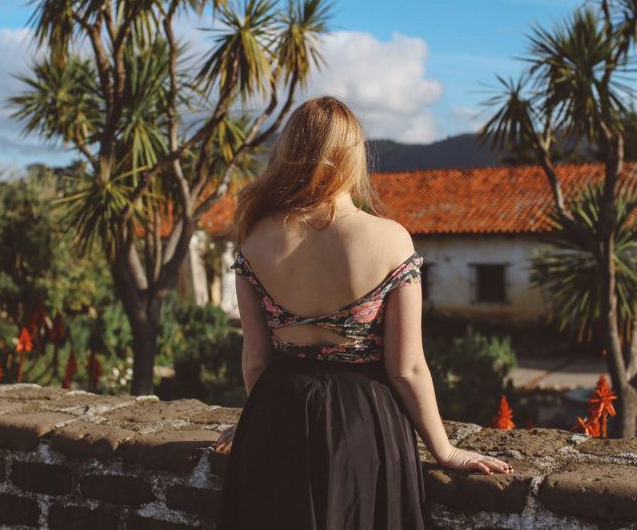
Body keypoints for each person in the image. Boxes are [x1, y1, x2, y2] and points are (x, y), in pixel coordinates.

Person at [215, 96, 513, 530]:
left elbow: (256, 360)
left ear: (289, 152)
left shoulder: (255, 240)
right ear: (353, 156)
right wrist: (445, 450)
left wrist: (253, 421)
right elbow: (407, 368)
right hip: (363, 422)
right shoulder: (391, 240)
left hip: (276, 417)